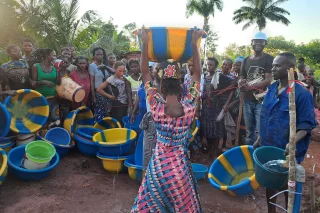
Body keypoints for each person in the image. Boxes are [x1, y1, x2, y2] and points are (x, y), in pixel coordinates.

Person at [131, 26, 203, 212]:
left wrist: (146, 42)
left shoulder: (155, 105)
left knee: (153, 201)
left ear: (161, 87)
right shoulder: (189, 105)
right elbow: (197, 74)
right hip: (179, 168)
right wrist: (195, 43)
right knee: (180, 204)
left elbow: (145, 73)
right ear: (181, 86)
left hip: (159, 166)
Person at [253, 52, 317, 213]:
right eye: (272, 65)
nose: (272, 68)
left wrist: (293, 141)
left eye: (277, 65)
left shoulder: (301, 94)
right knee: (270, 180)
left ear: (290, 68)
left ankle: (290, 209)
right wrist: (260, 137)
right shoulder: (272, 88)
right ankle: (271, 211)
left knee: (288, 183)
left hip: (288, 149)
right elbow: (267, 116)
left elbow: (306, 125)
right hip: (269, 145)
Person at [238, 32, 273, 145]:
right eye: (255, 41)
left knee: (259, 131)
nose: (258, 43)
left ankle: (258, 155)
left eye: (260, 41)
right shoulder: (246, 60)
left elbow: (268, 79)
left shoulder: (269, 59)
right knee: (249, 131)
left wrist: (249, 86)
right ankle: (249, 155)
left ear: (265, 43)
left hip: (262, 100)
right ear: (252, 43)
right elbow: (242, 77)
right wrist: (241, 83)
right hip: (247, 99)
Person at [97, 61, 133, 126]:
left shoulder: (125, 78)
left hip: (125, 103)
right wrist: (110, 96)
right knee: (118, 121)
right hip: (117, 103)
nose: (122, 73)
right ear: (115, 69)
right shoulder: (111, 79)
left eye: (124, 71)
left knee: (124, 119)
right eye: (120, 71)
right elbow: (99, 89)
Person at [89, 47, 113, 122]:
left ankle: (106, 129)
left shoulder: (105, 66)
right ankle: (97, 129)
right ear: (94, 56)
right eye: (97, 54)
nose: (99, 56)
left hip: (106, 92)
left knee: (107, 112)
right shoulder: (92, 66)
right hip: (98, 92)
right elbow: (92, 82)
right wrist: (93, 97)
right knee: (99, 112)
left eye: (101, 54)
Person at [55, 55, 72, 124]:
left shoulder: (68, 71)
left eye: (66, 62)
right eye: (63, 62)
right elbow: (57, 82)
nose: (64, 64)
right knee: (56, 114)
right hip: (56, 96)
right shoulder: (54, 70)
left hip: (65, 96)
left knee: (65, 114)